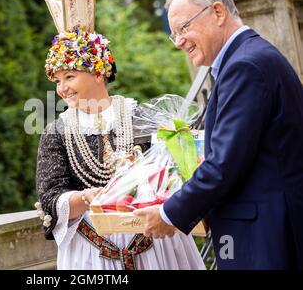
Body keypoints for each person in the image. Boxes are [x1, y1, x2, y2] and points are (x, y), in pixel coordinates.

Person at [134, 0, 303, 269]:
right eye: (173, 35)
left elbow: (225, 165)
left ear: (218, 12)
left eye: (184, 28)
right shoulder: (248, 58)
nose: (179, 42)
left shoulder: (245, 65)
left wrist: (168, 214)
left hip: (267, 236)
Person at [35, 27, 205, 270]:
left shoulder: (142, 117)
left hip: (154, 239)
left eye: (70, 77)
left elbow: (171, 175)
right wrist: (86, 197)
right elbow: (50, 197)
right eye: (57, 80)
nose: (62, 88)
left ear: (98, 72)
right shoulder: (56, 133)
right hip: (92, 252)